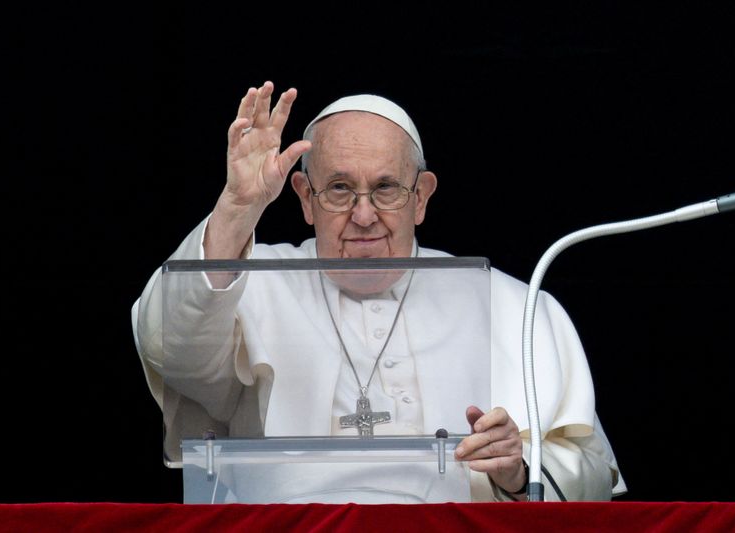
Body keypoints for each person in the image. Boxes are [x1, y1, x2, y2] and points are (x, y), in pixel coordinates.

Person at [131, 81, 626, 503]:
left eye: (387, 189)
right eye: (340, 189)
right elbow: (173, 348)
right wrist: (238, 206)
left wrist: (516, 473)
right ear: (305, 197)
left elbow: (589, 474)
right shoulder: (249, 278)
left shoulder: (512, 305)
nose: (364, 216)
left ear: (422, 198)